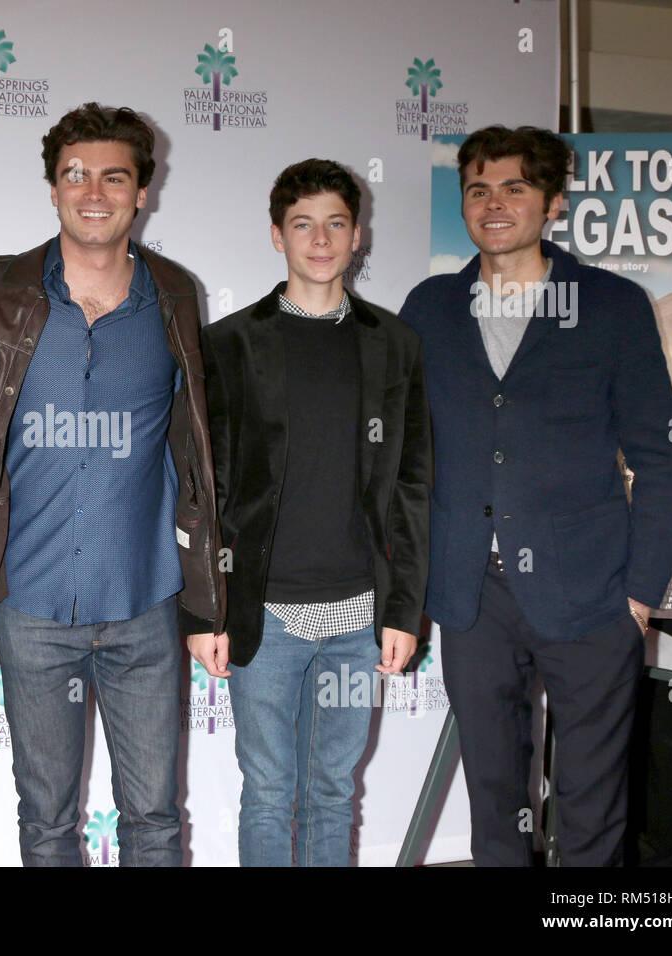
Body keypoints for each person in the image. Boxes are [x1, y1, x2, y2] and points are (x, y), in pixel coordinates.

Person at [399, 125, 672, 865]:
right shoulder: (429, 308)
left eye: (515, 188)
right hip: (471, 598)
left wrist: (641, 593)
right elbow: (403, 453)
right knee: (495, 800)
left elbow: (661, 456)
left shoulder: (612, 304)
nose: (494, 204)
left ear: (554, 202)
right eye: (478, 190)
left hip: (593, 591)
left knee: (594, 802)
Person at [0, 103, 224, 866]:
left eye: (115, 176)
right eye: (76, 174)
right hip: (32, 603)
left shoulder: (175, 295)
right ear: (53, 187)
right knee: (46, 819)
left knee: (153, 817)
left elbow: (197, 452)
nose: (94, 191)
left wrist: (208, 594)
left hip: (146, 600)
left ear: (142, 190)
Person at [194, 159, 431, 866]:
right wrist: (205, 612)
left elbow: (412, 483)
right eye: (303, 224)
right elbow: (205, 486)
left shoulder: (394, 344)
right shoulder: (230, 344)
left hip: (360, 617)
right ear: (277, 235)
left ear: (358, 236)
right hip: (263, 614)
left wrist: (404, 610)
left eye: (335, 223)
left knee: (333, 790)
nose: (320, 239)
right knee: (268, 790)